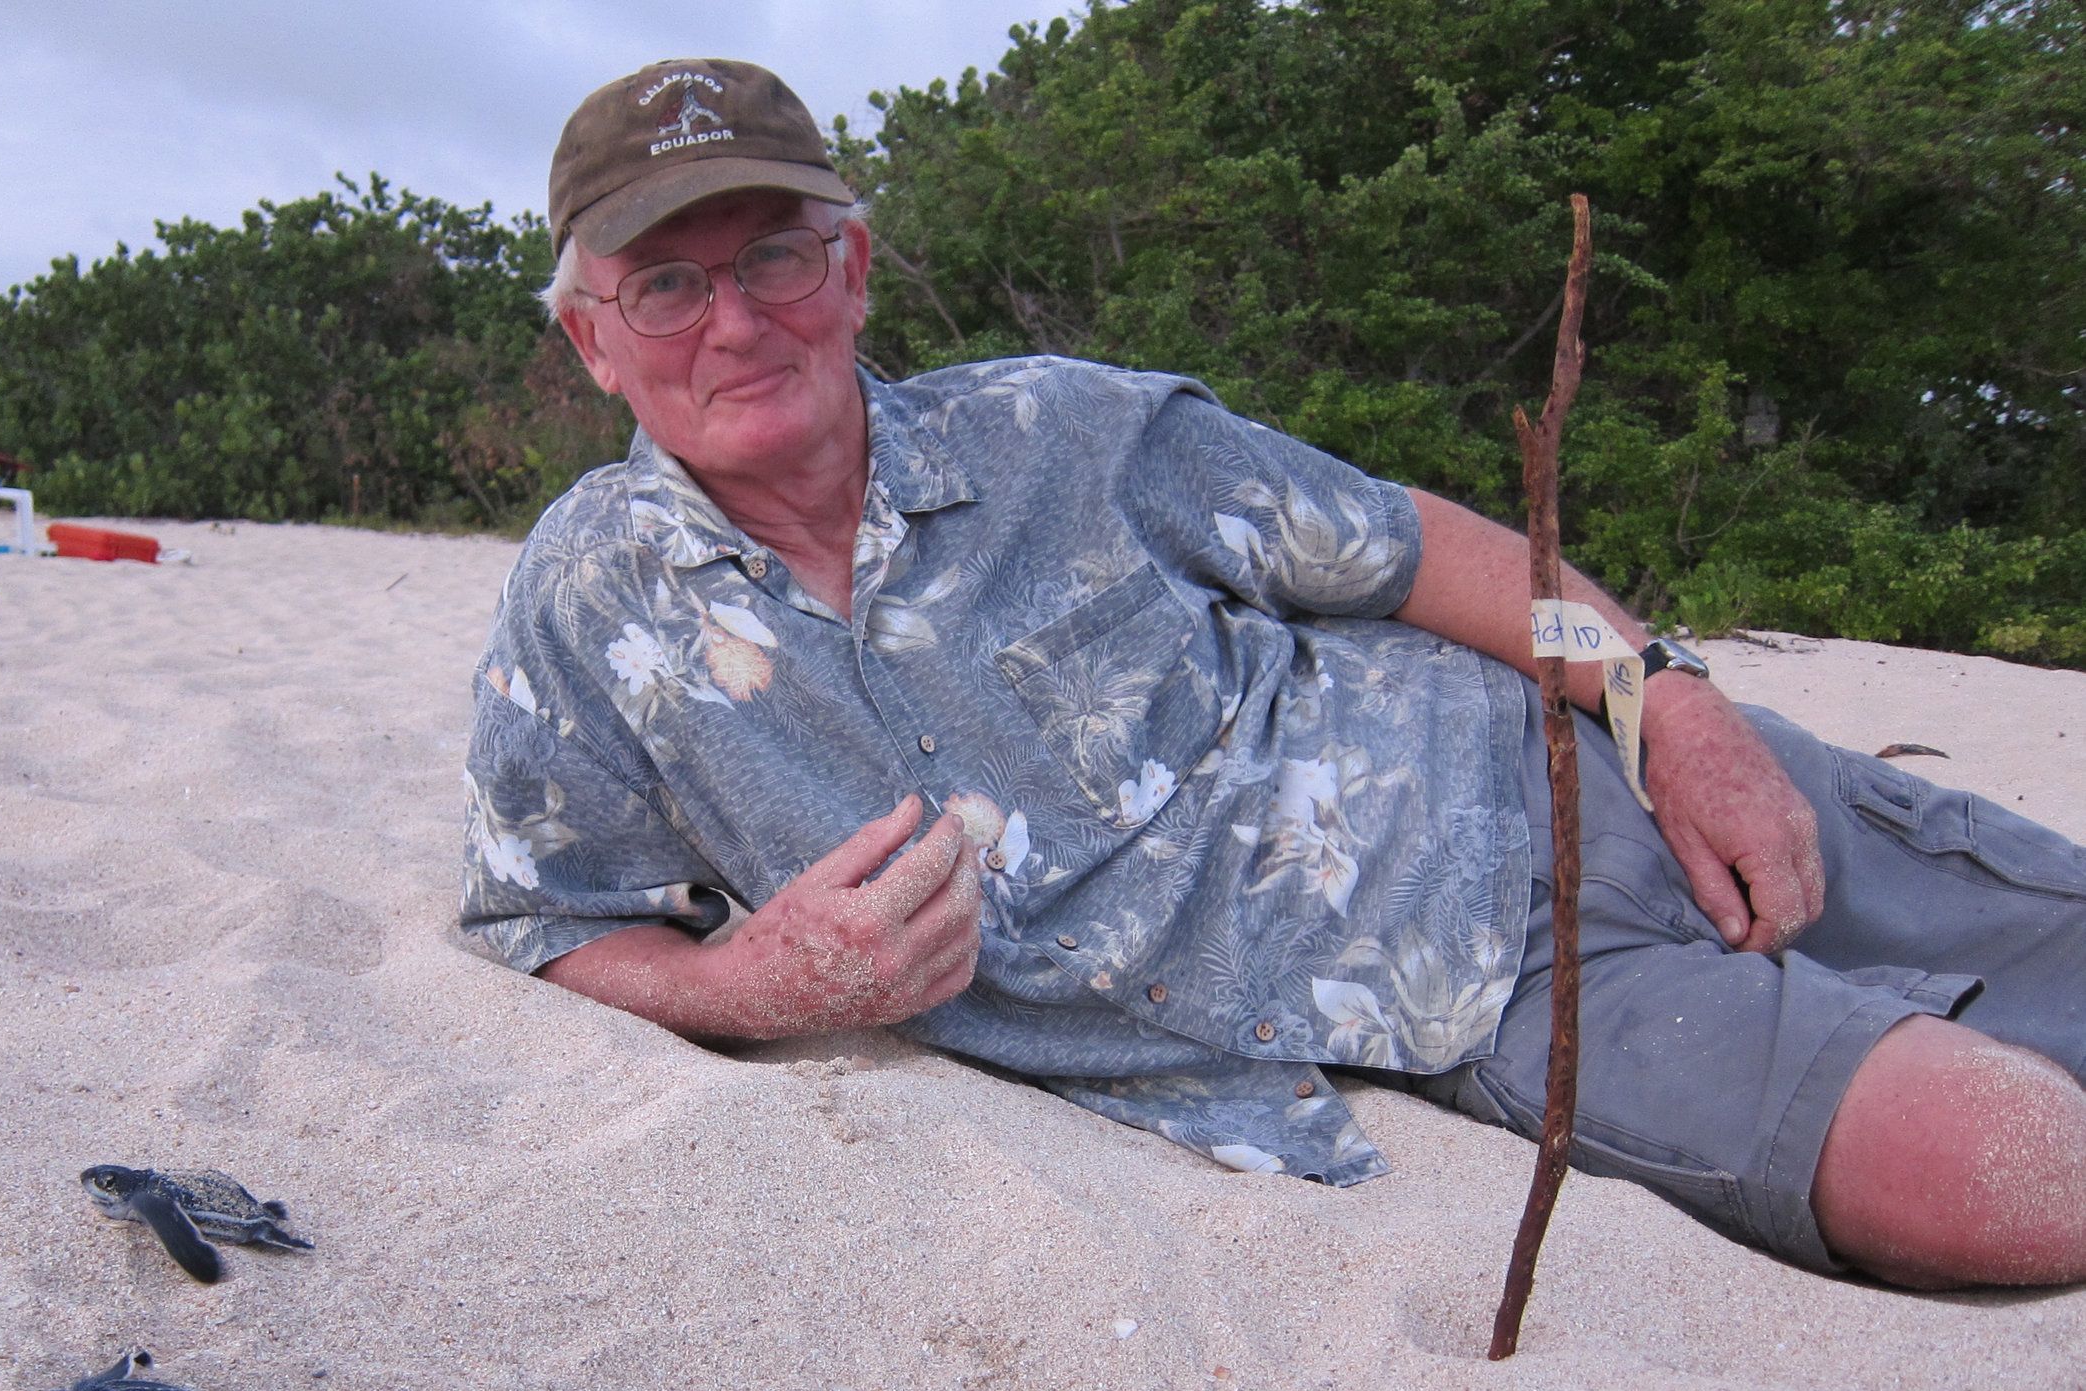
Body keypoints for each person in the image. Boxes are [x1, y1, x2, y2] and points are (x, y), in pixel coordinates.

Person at [461, 57, 2086, 1289]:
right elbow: (547, 924)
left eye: (777, 257)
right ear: (592, 339)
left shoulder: (1061, 426)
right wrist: (751, 992)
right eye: (667, 283)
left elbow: (1424, 548)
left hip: (1575, 764)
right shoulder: (584, 610)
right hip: (1491, 1008)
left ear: (858, 268)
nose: (733, 321)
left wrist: (1673, 701)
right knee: (2022, 1186)